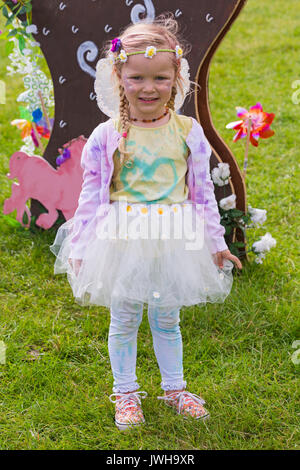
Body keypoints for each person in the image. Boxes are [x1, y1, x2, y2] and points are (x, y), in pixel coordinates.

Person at [50, 14, 242, 431]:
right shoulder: (107, 135)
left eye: (160, 78)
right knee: (124, 319)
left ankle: (175, 387)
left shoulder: (189, 132)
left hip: (173, 240)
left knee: (167, 319)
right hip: (122, 239)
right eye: (137, 78)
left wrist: (215, 242)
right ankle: (126, 392)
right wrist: (81, 246)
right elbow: (91, 196)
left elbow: (202, 194)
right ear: (120, 78)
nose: (149, 88)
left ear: (176, 78)